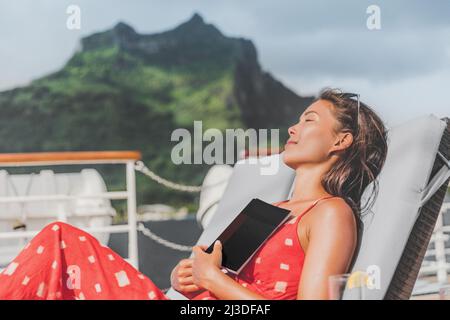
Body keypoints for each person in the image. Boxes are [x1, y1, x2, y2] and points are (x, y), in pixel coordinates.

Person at [0, 88, 388, 300]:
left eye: (309, 120)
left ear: (341, 139)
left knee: (61, 241)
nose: (292, 128)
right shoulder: (268, 210)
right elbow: (210, 276)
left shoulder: (330, 212)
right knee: (59, 257)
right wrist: (188, 278)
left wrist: (213, 281)